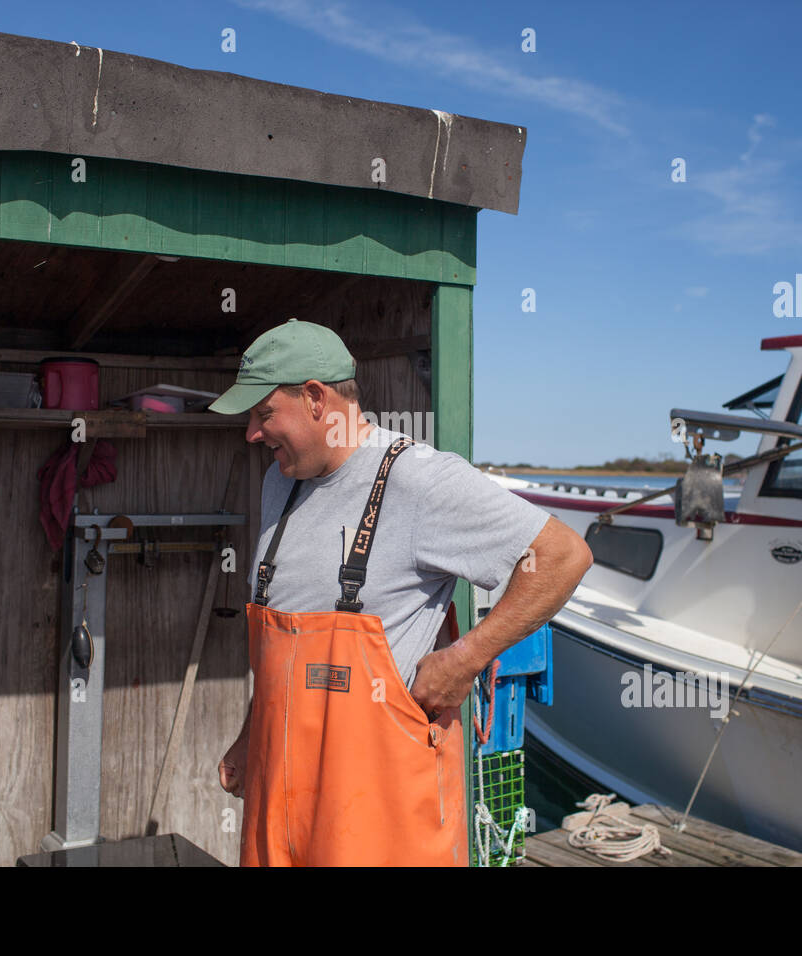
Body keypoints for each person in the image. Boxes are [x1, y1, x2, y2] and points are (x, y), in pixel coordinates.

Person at [210, 318, 592, 866]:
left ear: (316, 399)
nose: (252, 433)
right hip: (279, 800)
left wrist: (464, 659)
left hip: (378, 815)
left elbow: (562, 557)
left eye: (263, 413)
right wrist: (252, 736)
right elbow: (283, 639)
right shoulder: (281, 482)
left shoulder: (419, 480)